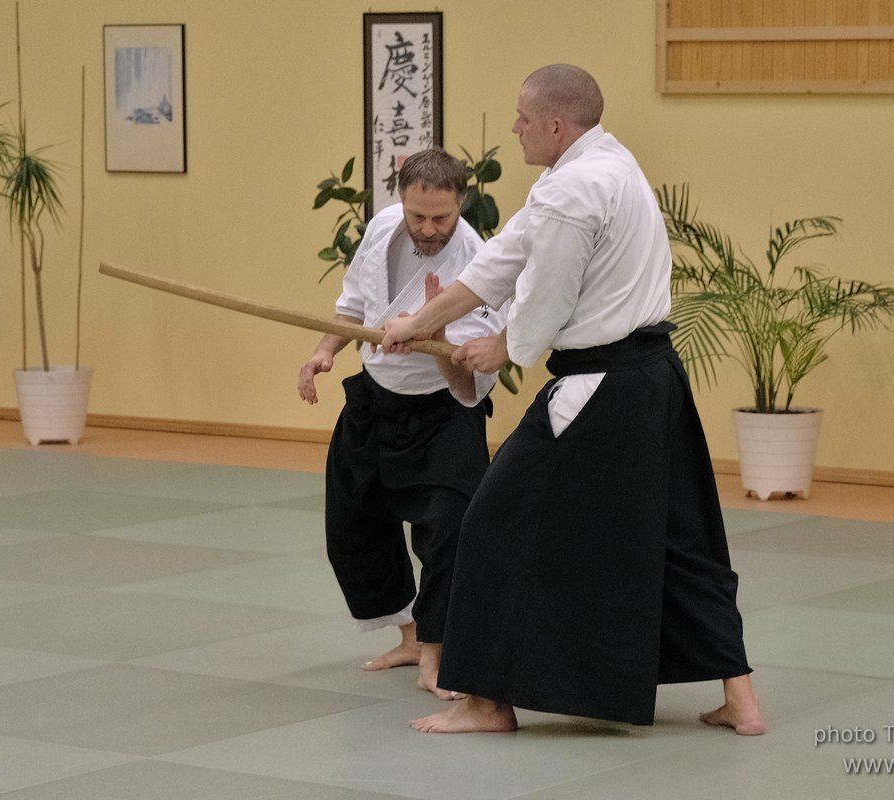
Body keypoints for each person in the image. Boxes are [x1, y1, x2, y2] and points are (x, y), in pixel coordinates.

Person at [380, 65, 765, 735]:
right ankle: (742, 699)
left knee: (493, 521)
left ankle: (486, 701)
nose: (514, 128)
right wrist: (415, 324)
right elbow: (500, 263)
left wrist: (504, 348)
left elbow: (549, 296)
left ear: (556, 125)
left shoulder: (571, 191)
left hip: (598, 388)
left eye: (522, 118)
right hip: (655, 380)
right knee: (682, 536)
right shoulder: (604, 164)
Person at [298, 147, 506, 699]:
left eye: (442, 216)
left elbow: (467, 385)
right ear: (402, 200)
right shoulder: (384, 228)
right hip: (374, 400)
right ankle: (412, 636)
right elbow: (352, 306)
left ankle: (437, 653)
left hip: (443, 413)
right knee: (352, 523)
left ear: (462, 202)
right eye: (419, 215)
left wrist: (431, 338)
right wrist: (325, 353)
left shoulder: (479, 263)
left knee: (448, 530)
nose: (429, 227)